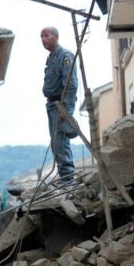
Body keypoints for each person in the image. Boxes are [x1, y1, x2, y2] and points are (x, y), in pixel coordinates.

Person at [41, 26, 78, 184]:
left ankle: (68, 178)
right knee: (56, 142)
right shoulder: (51, 58)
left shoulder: (65, 56)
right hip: (52, 105)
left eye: (46, 35)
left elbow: (71, 84)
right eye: (41, 37)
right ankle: (64, 177)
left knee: (61, 142)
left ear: (56, 37)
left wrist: (67, 109)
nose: (43, 39)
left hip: (60, 105)